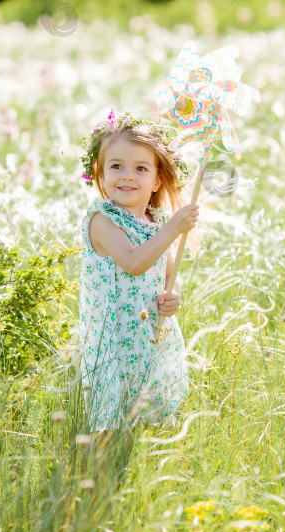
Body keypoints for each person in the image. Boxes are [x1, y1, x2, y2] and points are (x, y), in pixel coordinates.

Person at [77, 109, 200, 451]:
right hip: (113, 336)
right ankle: (100, 477)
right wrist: (175, 227)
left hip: (147, 333)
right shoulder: (101, 220)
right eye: (116, 166)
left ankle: (142, 469)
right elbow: (133, 263)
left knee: (146, 412)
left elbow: (169, 270)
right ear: (99, 173)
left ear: (157, 180)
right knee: (110, 418)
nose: (127, 176)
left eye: (141, 168)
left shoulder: (155, 218)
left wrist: (172, 294)